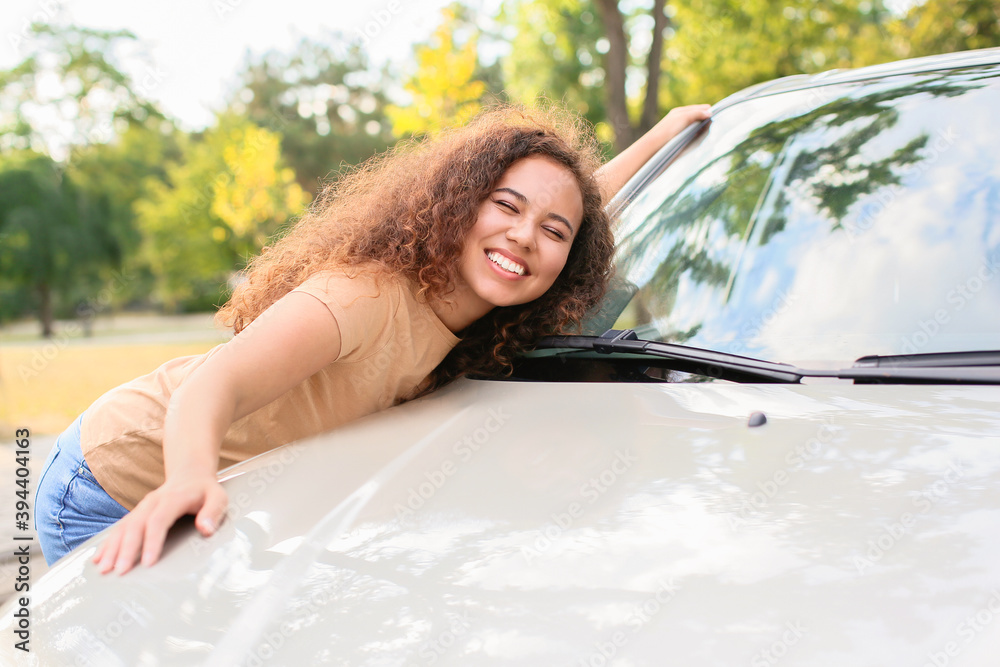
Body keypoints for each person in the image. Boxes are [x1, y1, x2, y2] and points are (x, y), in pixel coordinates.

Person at [33, 102, 711, 573]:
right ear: (458, 203)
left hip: (205, 487)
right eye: (505, 206)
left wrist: (662, 139)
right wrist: (188, 476)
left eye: (553, 232)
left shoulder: (481, 316)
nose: (524, 235)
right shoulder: (364, 296)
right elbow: (220, 381)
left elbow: (580, 200)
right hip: (116, 480)